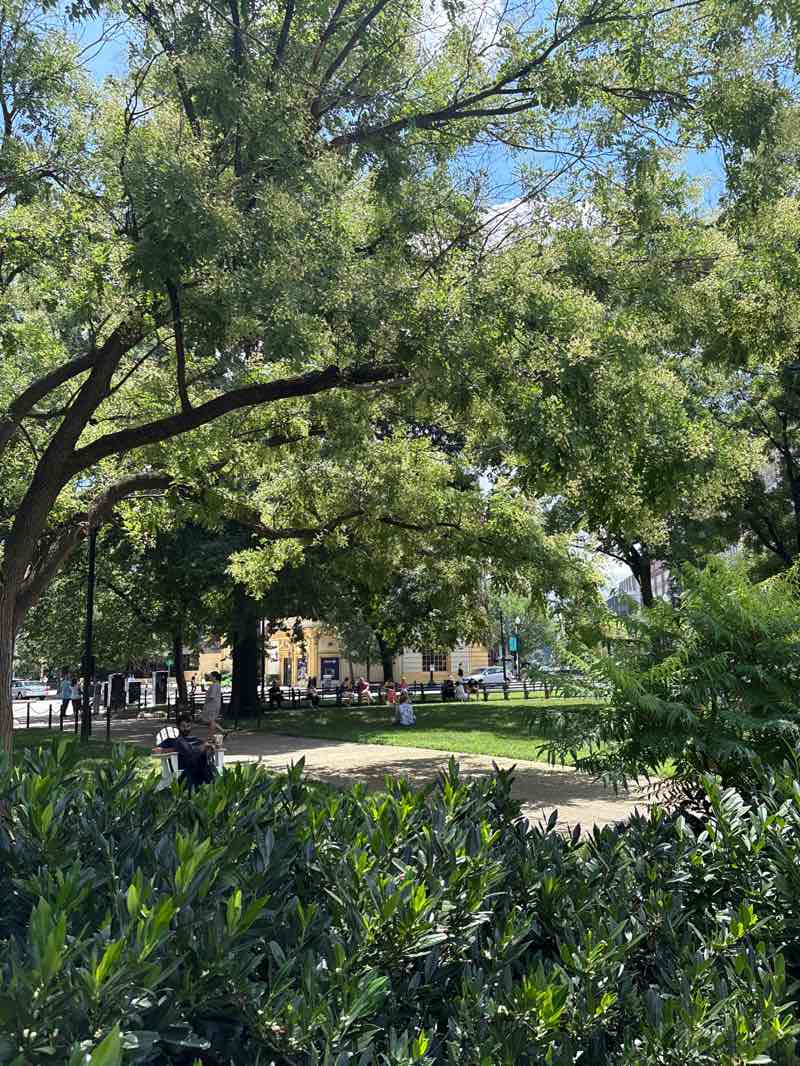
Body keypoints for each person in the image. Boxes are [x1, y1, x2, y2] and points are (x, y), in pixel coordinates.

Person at [152, 715, 216, 790]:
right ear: (178, 727)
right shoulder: (172, 740)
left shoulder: (195, 739)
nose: (186, 729)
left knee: (203, 757)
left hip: (197, 764)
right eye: (183, 726)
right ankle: (213, 785)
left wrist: (211, 748)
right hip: (182, 766)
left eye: (188, 726)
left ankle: (212, 786)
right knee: (185, 747)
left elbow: (206, 751)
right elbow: (155, 751)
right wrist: (174, 750)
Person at [200, 670, 222, 736]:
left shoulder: (214, 685)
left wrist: (206, 702)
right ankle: (223, 731)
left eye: (211, 676)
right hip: (215, 704)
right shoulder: (217, 684)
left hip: (212, 705)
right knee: (211, 720)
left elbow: (212, 696)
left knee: (211, 720)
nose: (210, 677)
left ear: (214, 677)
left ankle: (211, 735)